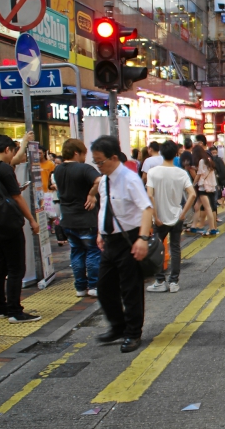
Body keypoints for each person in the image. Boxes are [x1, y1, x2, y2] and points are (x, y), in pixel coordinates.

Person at [92, 135, 154, 354]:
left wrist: (143, 238)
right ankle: (117, 327)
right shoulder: (105, 179)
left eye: (100, 161)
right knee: (104, 287)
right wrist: (101, 232)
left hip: (130, 238)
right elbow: (105, 207)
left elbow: (147, 208)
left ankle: (132, 332)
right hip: (110, 240)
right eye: (95, 162)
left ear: (114, 157)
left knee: (131, 289)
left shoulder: (129, 179)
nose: (98, 165)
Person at [0, 135, 41, 323]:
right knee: (15, 268)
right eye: (12, 151)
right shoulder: (4, 169)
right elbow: (16, 197)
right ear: (6, 150)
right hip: (8, 223)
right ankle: (15, 311)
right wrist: (31, 219)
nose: (13, 155)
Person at [145, 140, 195, 293]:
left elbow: (149, 196)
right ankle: (174, 282)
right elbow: (192, 194)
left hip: (159, 218)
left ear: (160, 153)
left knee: (158, 249)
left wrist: (156, 217)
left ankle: (160, 281)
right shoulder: (181, 173)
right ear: (175, 155)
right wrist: (183, 213)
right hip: (176, 216)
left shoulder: (153, 172)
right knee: (175, 248)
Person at [54, 139, 102, 298]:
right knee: (92, 252)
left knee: (76, 252)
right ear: (76, 152)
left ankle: (80, 287)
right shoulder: (84, 168)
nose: (84, 157)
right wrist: (92, 194)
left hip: (67, 218)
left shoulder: (58, 169)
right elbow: (99, 180)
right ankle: (94, 285)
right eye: (83, 154)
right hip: (86, 218)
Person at [191, 144, 219, 236]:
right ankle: (194, 226)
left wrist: (193, 184)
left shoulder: (202, 161)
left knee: (207, 208)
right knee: (197, 206)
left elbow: (199, 175)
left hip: (203, 187)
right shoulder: (208, 160)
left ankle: (212, 229)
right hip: (210, 187)